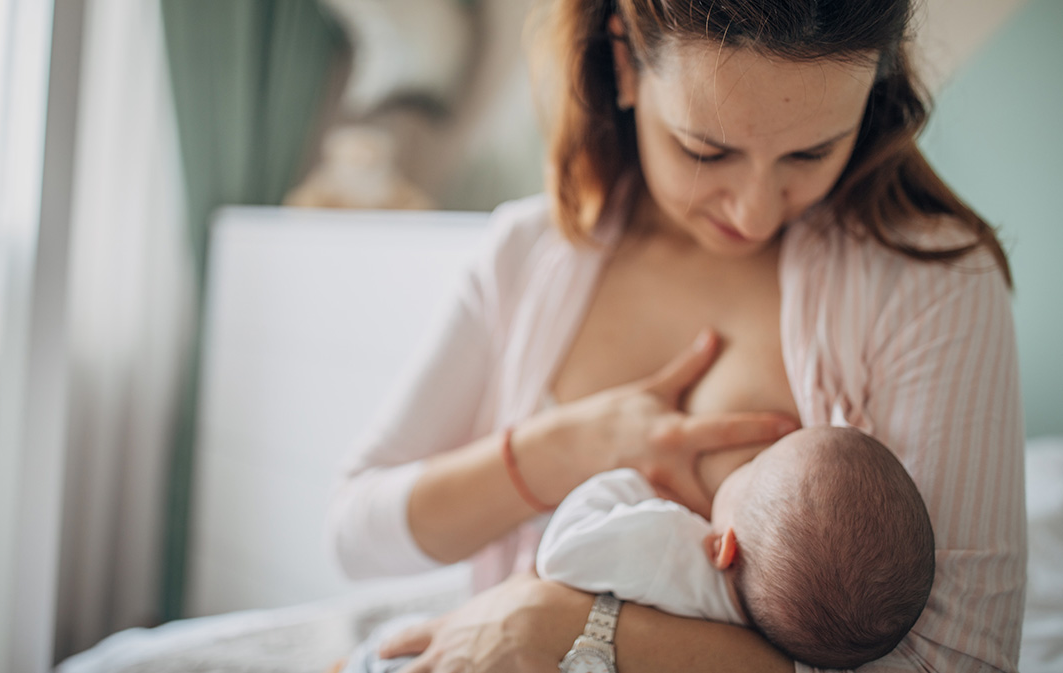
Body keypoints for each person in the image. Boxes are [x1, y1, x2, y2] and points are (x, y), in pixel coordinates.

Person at [324, 0, 1026, 671]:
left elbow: (955, 661)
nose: (753, 212)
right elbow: (357, 533)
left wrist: (555, 627)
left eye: (811, 153)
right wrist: (566, 447)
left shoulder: (931, 280)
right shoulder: (525, 255)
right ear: (624, 61)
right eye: (706, 151)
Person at [536, 426, 936, 670]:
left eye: (752, 466)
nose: (739, 465)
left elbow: (558, 552)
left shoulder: (668, 543)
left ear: (723, 549)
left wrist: (631, 484)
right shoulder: (770, 629)